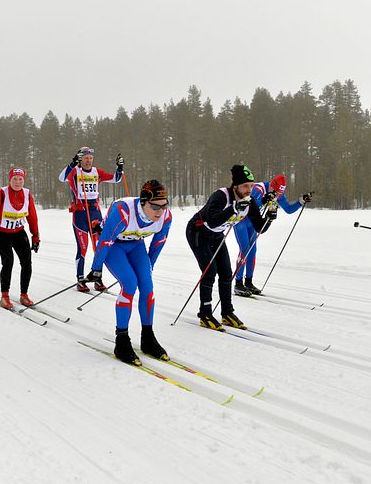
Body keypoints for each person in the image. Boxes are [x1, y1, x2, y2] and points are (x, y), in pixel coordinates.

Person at [85, 180, 172, 365]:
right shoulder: (123, 210)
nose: (160, 211)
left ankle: (148, 338)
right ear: (143, 202)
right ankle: (122, 341)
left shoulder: (165, 217)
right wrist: (96, 268)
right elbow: (106, 240)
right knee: (130, 284)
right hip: (113, 247)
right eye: (155, 206)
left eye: (164, 206)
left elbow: (158, 243)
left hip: (136, 245)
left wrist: (150, 265)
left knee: (147, 286)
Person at [186, 164, 274, 332]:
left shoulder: (250, 201)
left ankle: (227, 312)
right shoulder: (220, 196)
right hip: (198, 231)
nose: (249, 190)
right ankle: (205, 313)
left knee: (227, 272)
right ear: (236, 186)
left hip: (217, 235)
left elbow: (259, 228)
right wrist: (233, 209)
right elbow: (212, 220)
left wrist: (269, 218)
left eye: (251, 186)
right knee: (209, 271)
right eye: (245, 186)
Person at [233, 174, 313, 296]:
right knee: (244, 250)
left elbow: (289, 210)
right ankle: (238, 283)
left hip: (253, 223)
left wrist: (301, 201)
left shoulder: (278, 194)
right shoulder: (258, 188)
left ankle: (248, 282)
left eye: (279, 193)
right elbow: (248, 205)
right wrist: (264, 200)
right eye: (275, 192)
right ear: (271, 185)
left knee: (252, 251)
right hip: (241, 221)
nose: (277, 195)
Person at [59, 147, 124, 293]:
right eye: (85, 158)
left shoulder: (97, 172)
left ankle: (97, 277)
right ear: (81, 159)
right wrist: (72, 163)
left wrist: (120, 168)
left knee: (99, 246)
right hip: (80, 213)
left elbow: (116, 179)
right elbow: (62, 178)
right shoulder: (75, 171)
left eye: (90, 158)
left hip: (95, 213)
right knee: (82, 248)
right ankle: (80, 279)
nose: (88, 160)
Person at [0, 167, 40, 309]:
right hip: (1, 233)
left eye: (20, 179)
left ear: (24, 180)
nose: (17, 182)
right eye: (14, 179)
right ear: (10, 179)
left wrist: (35, 237)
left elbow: (33, 218)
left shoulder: (27, 194)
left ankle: (24, 295)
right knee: (8, 262)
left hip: (18, 232)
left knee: (27, 262)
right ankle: (4, 296)